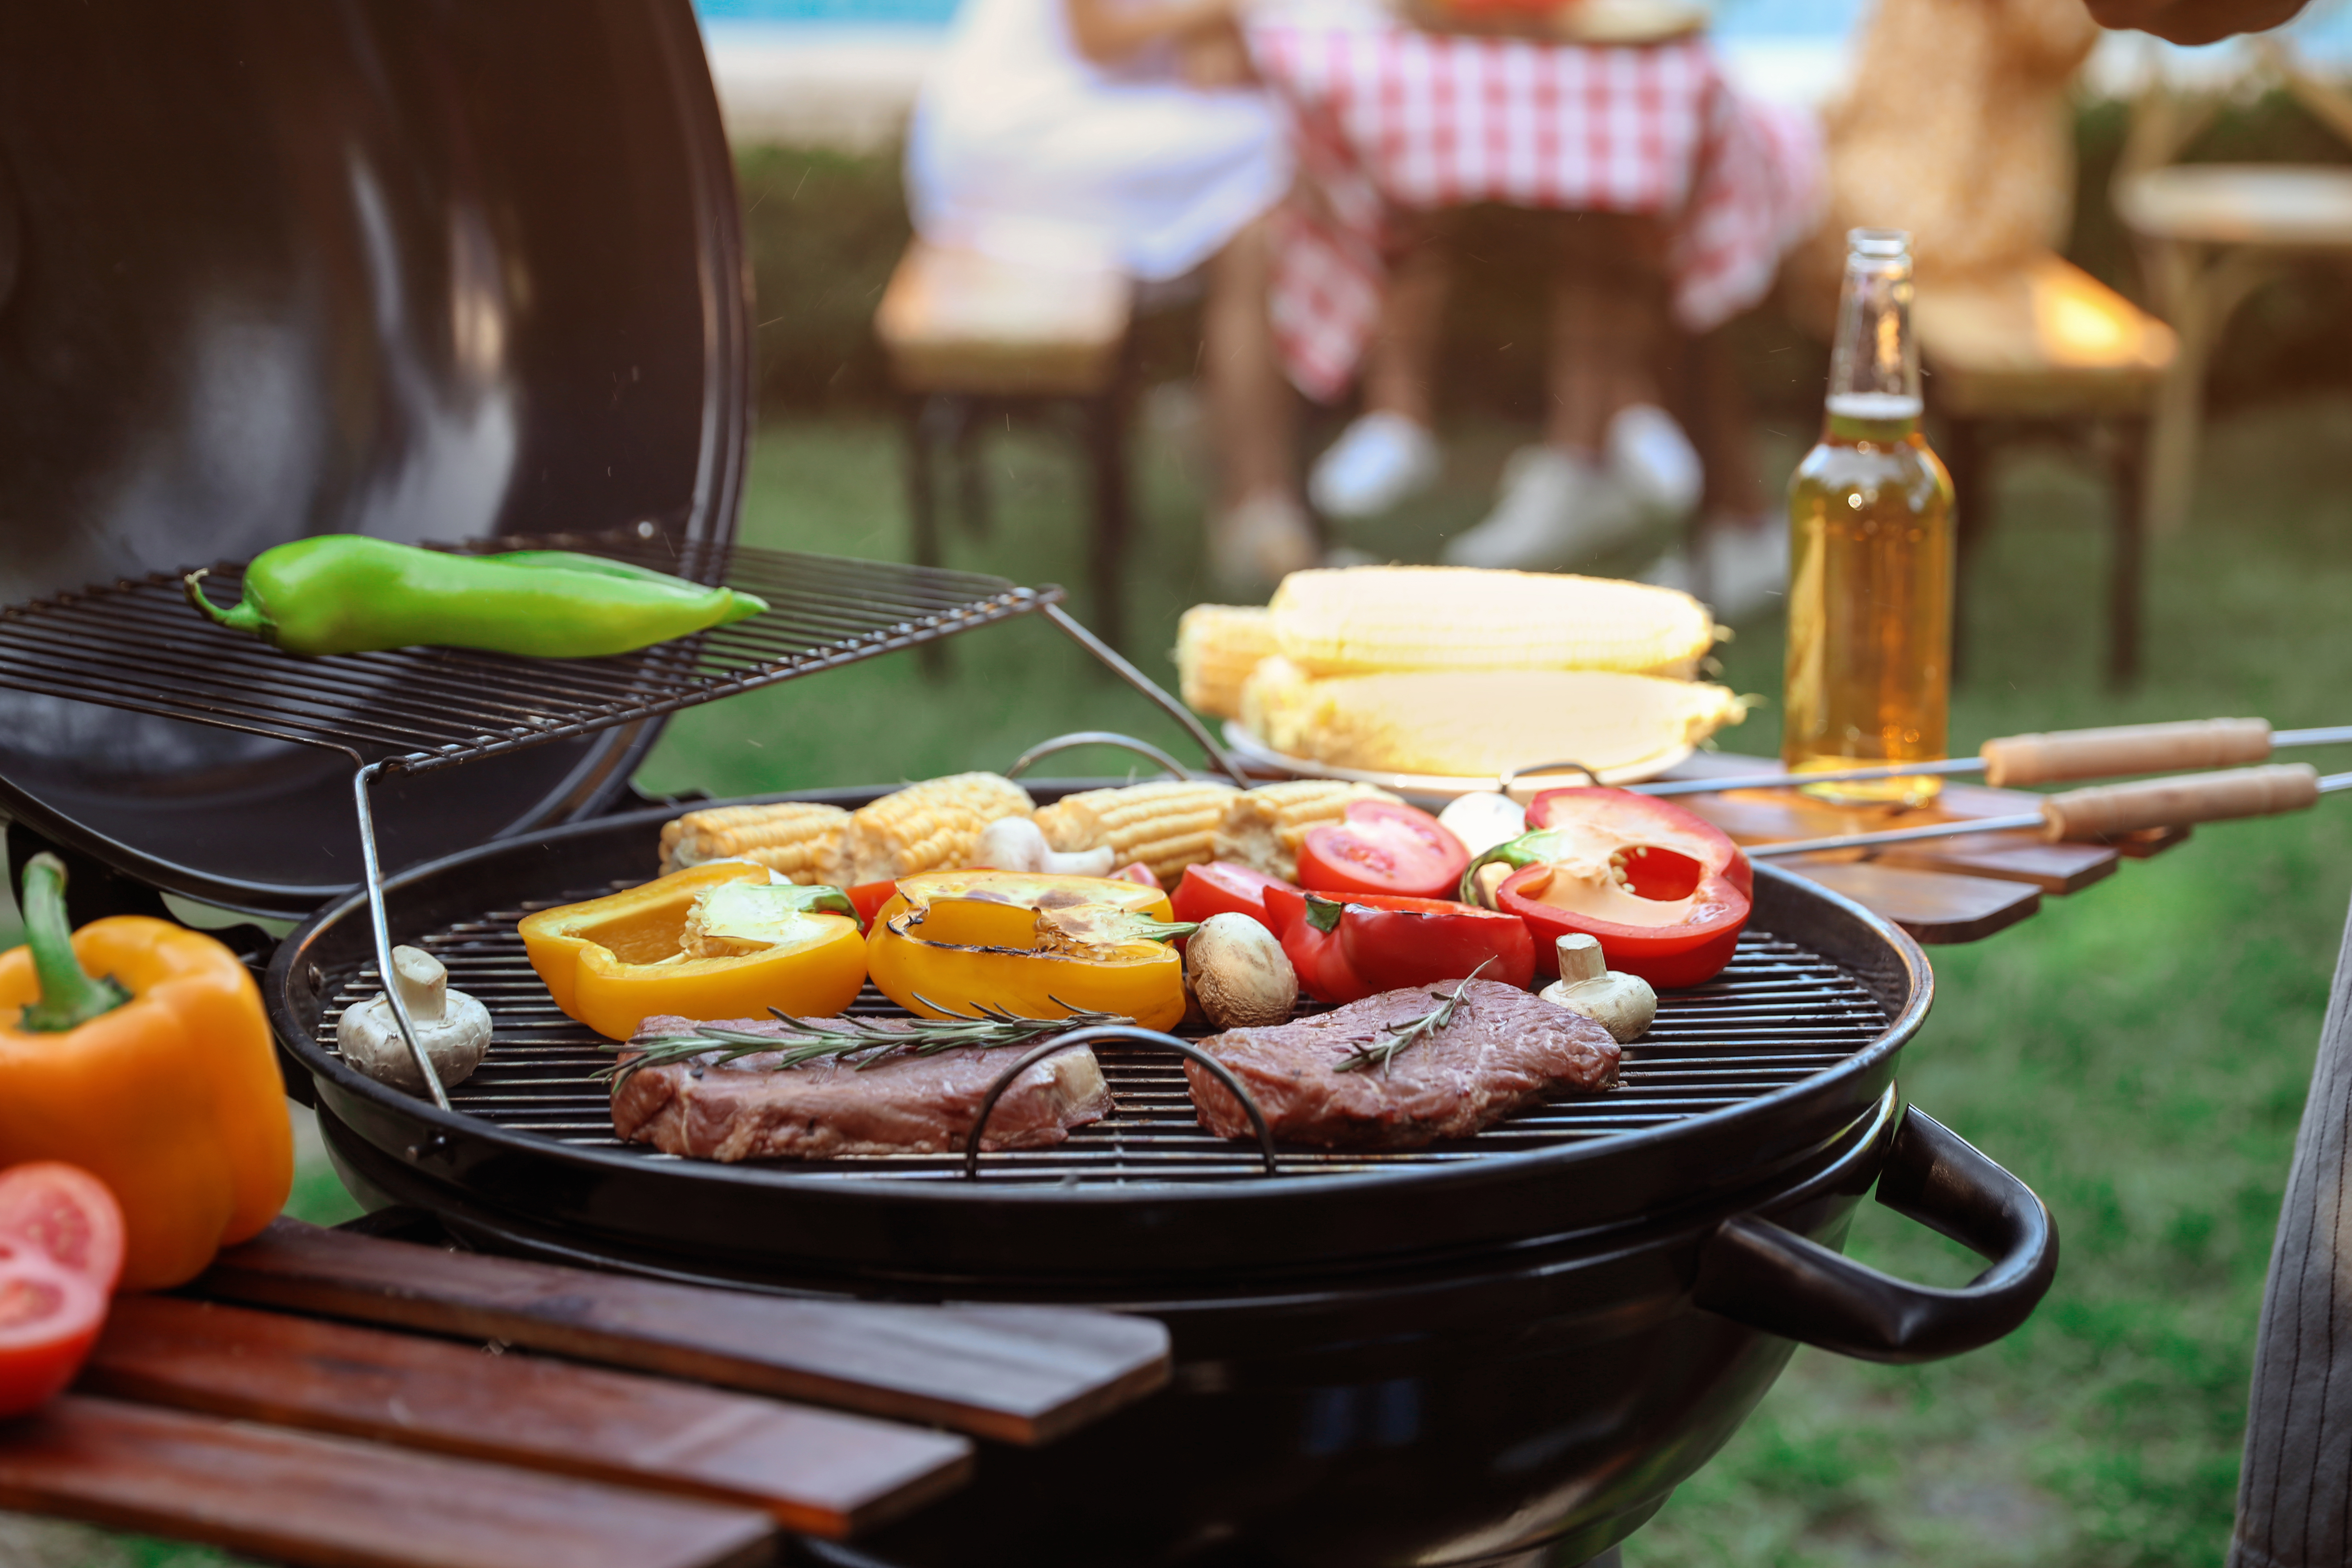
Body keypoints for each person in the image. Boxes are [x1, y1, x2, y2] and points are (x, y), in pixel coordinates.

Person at [905, 0, 1311, 588]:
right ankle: (1255, 485)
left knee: (1255, 216)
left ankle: (1249, 480)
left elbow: (1209, 71)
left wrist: (1214, 25)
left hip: (1052, 125)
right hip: (1018, 136)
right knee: (1273, 150)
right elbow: (1096, 34)